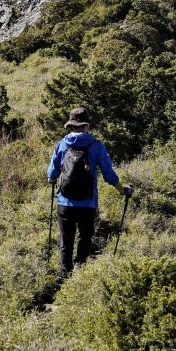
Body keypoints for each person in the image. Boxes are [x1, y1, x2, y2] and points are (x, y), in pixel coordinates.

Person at [47, 107, 132, 277]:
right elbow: (108, 174)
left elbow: (51, 175)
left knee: (66, 239)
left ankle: (65, 275)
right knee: (84, 238)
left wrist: (53, 179)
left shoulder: (61, 144)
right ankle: (80, 273)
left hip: (64, 202)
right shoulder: (96, 145)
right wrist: (122, 190)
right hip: (87, 202)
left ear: (71, 125)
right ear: (86, 125)